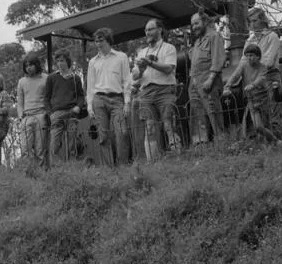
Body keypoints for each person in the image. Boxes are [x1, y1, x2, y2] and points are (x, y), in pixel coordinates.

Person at [132, 18, 180, 161]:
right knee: (150, 127)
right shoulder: (141, 52)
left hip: (165, 90)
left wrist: (150, 63)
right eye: (146, 30)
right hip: (146, 92)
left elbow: (169, 69)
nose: (147, 32)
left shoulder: (169, 48)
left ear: (159, 30)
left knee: (168, 123)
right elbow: (134, 76)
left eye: (150, 29)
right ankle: (153, 161)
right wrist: (141, 68)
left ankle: (177, 157)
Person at [86, 27, 132, 167]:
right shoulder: (93, 62)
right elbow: (90, 85)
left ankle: (123, 165)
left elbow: (127, 81)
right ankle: (108, 168)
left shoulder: (121, 57)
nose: (98, 43)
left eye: (101, 39)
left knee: (121, 133)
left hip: (117, 98)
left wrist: (127, 102)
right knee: (103, 135)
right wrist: (89, 106)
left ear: (108, 40)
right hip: (99, 99)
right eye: (96, 41)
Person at [240, 8, 282, 139]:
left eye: (254, 20)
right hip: (253, 79)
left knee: (272, 111)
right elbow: (243, 61)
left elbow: (268, 61)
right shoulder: (250, 40)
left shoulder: (272, 36)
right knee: (256, 113)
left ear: (263, 20)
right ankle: (263, 143)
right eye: (249, 22)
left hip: (270, 76)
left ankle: (278, 141)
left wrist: (251, 66)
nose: (252, 24)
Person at [223, 44, 278, 142]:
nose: (249, 58)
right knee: (258, 127)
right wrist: (227, 86)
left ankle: (268, 145)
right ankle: (274, 140)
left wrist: (253, 85)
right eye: (247, 55)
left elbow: (261, 78)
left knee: (267, 123)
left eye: (251, 55)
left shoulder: (263, 67)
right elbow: (235, 76)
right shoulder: (243, 65)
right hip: (251, 99)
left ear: (258, 57)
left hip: (264, 99)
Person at [188, 11, 226, 145]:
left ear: (205, 22)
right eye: (192, 25)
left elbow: (218, 58)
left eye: (197, 23)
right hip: (195, 84)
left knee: (213, 112)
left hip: (209, 81)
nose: (194, 27)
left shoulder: (214, 36)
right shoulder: (197, 41)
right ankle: (201, 144)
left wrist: (211, 78)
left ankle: (222, 142)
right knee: (198, 115)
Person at [44, 47, 85, 163]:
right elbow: (46, 98)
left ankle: (73, 166)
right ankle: (57, 170)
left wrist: (78, 106)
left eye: (62, 60)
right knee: (54, 144)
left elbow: (81, 96)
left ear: (68, 61)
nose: (59, 63)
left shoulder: (75, 78)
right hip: (56, 114)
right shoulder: (51, 78)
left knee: (73, 142)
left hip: (72, 113)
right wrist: (50, 113)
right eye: (57, 61)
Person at [16, 52, 50, 169]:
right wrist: (21, 117)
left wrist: (47, 113)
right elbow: (20, 102)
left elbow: (49, 97)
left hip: (41, 116)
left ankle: (42, 174)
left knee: (40, 149)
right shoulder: (22, 81)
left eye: (31, 65)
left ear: (36, 64)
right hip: (26, 117)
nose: (28, 68)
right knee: (25, 148)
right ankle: (28, 174)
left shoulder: (46, 78)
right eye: (26, 65)